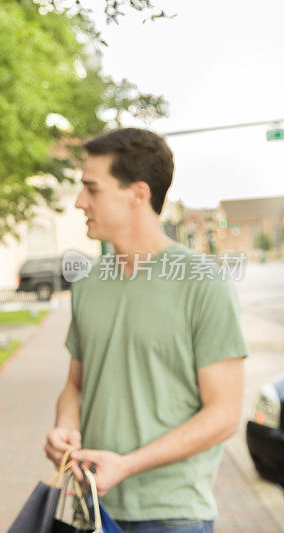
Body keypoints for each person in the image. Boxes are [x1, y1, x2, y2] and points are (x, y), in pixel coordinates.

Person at [44, 128, 247, 533]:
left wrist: (128, 465)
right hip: (94, 507)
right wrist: (65, 426)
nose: (79, 202)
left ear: (138, 194)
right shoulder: (87, 283)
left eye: (92, 189)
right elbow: (76, 386)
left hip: (172, 513)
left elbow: (223, 414)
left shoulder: (204, 282)